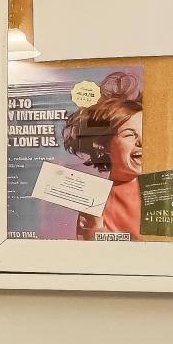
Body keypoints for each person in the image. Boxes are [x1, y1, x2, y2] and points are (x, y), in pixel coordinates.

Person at [63, 74, 143, 239]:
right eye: (129, 134)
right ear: (102, 146)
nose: (142, 142)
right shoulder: (94, 202)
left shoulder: (168, 187)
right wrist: (94, 229)